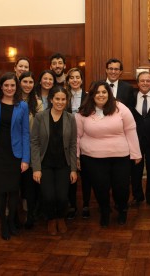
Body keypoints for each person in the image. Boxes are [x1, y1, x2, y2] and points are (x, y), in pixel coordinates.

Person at [76, 81, 141, 227]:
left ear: (109, 94)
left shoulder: (120, 108)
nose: (101, 95)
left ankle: (122, 210)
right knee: (100, 188)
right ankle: (105, 212)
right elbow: (77, 136)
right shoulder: (83, 112)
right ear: (92, 95)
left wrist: (136, 153)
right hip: (93, 158)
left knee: (121, 187)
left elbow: (130, 130)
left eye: (104, 92)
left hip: (120, 157)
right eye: (97, 92)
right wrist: (77, 156)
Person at [31, 86, 78, 235]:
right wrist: (36, 168)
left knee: (62, 196)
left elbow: (72, 144)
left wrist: (73, 169)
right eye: (57, 99)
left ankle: (60, 218)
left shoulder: (71, 118)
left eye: (63, 99)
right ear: (51, 99)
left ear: (67, 101)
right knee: (48, 196)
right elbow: (35, 143)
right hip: (45, 164)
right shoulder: (40, 117)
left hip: (64, 164)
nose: (60, 102)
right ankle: (51, 219)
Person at [0, 72, 30, 241]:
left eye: (12, 85)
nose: (9, 88)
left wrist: (26, 158)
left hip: (16, 153)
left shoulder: (22, 106)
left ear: (16, 87)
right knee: (0, 191)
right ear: (0, 87)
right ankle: (3, 224)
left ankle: (12, 221)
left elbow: (26, 133)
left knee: (14, 191)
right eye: (6, 85)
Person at [130, 71, 150, 208]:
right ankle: (137, 196)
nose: (145, 83)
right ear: (137, 83)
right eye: (142, 81)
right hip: (135, 140)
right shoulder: (130, 96)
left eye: (147, 81)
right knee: (135, 171)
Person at [18, 71, 44, 229]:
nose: (27, 85)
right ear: (19, 83)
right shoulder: (12, 100)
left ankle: (30, 214)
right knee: (18, 183)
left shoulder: (38, 103)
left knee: (30, 183)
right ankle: (16, 213)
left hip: (33, 147)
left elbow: (39, 127)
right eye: (24, 82)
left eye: (30, 82)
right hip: (16, 147)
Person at [65, 68, 90, 219]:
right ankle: (72, 205)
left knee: (86, 174)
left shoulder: (88, 97)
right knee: (70, 173)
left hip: (85, 138)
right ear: (68, 81)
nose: (75, 80)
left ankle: (86, 204)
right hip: (67, 139)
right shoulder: (63, 96)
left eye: (77, 77)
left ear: (81, 80)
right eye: (72, 78)